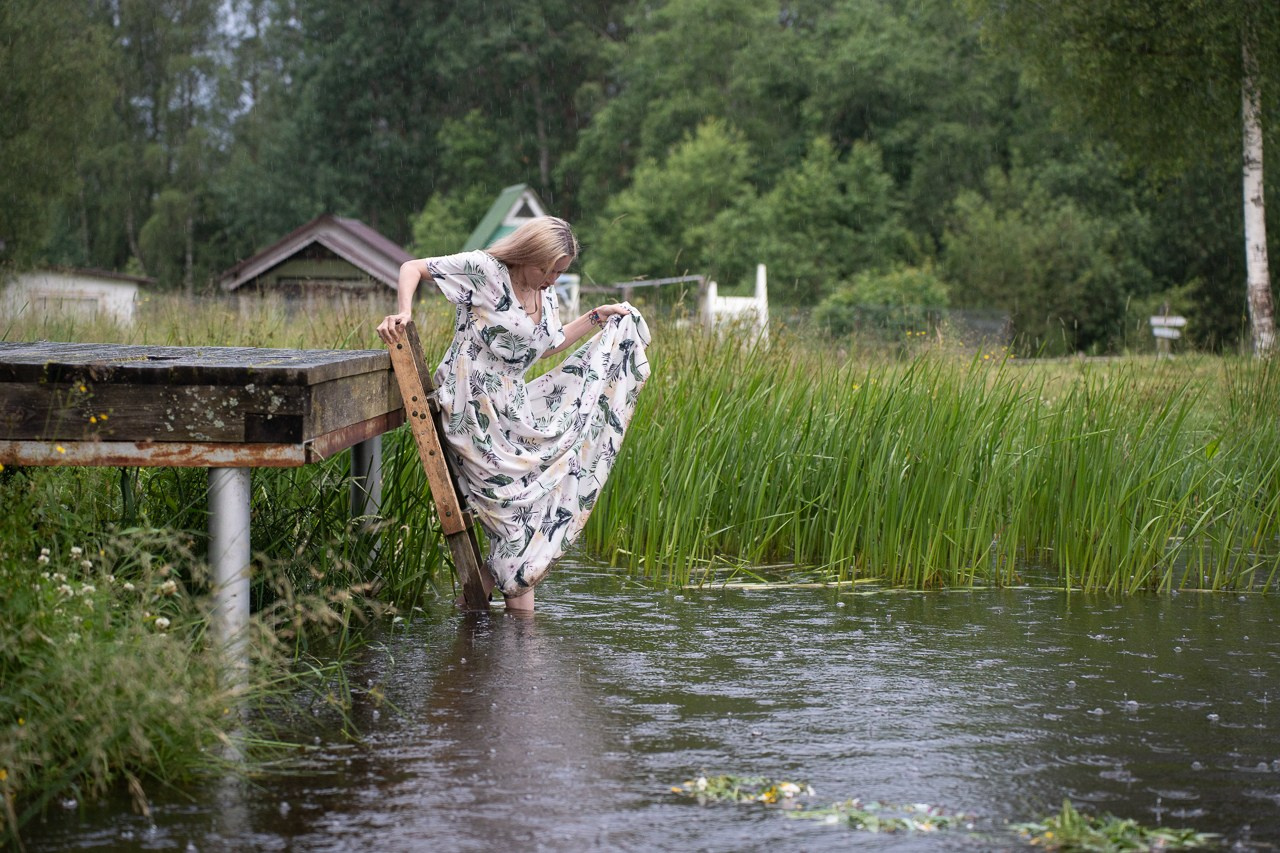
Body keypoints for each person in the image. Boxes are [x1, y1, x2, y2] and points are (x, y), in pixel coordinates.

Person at [376, 216, 650, 611]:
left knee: (537, 506)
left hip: (512, 409)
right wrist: (404, 312)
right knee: (516, 520)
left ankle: (477, 611)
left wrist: (596, 318)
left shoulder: (544, 293)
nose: (553, 279)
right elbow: (413, 268)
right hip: (470, 407)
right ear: (527, 255)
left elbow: (549, 346)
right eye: (548, 269)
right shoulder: (486, 270)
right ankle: (517, 641)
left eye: (561, 271)